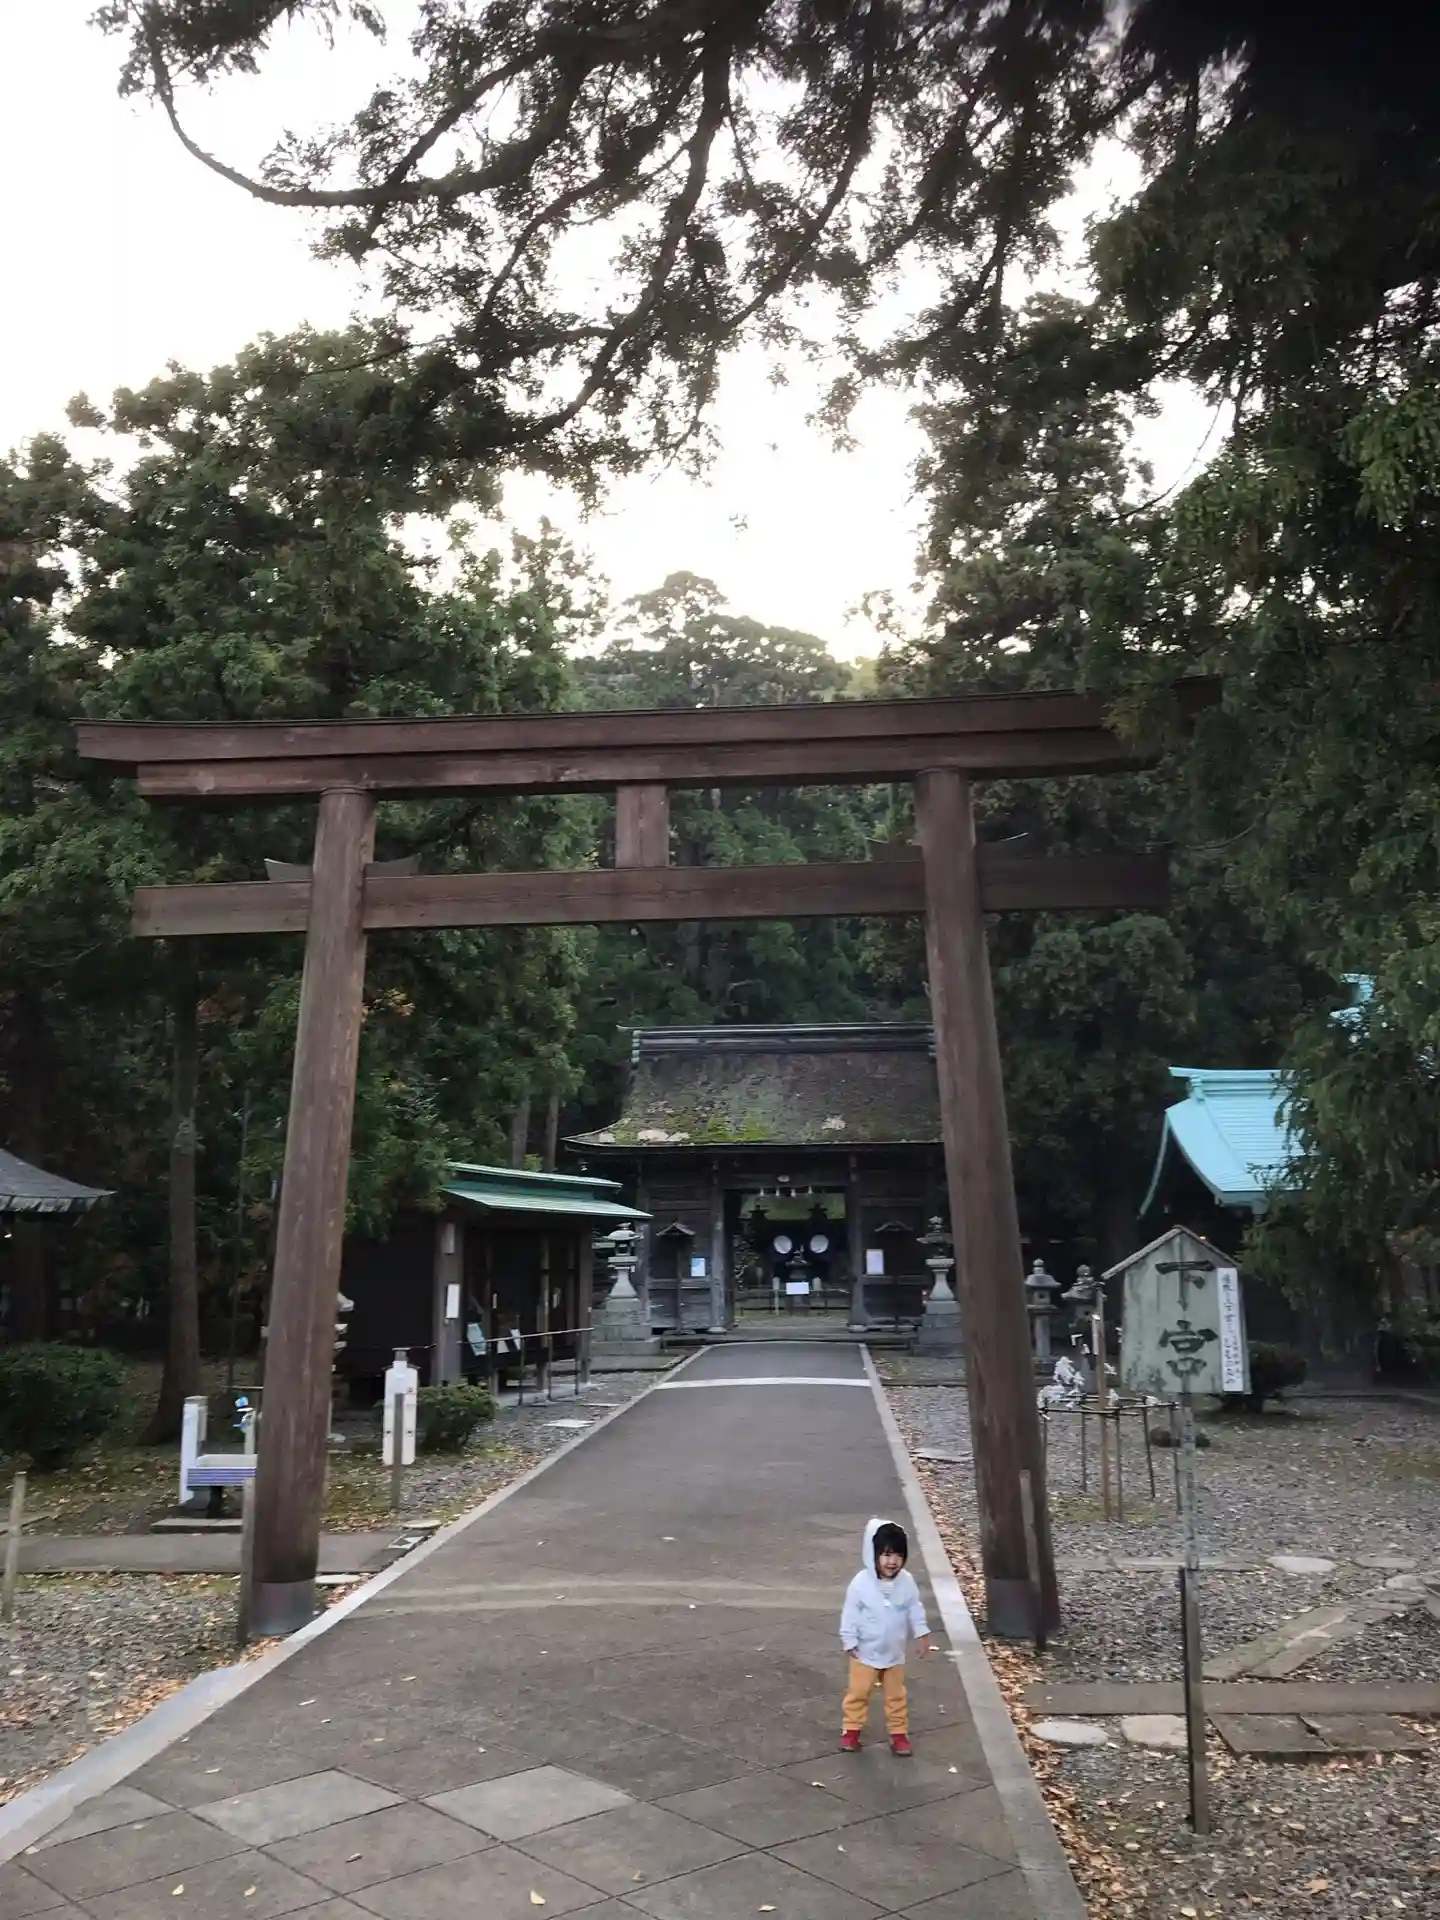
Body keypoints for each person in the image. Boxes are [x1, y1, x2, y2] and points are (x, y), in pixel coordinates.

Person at [839, 1516, 933, 1755]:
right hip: (864, 1652)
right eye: (886, 1554)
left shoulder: (906, 1582)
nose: (892, 1562)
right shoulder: (861, 1583)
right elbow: (850, 1612)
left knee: (896, 1696)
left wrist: (922, 1632)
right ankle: (851, 1730)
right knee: (858, 1693)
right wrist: (849, 1638)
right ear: (873, 1554)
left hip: (894, 1653)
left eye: (898, 1555)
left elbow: (915, 1607)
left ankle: (899, 1734)